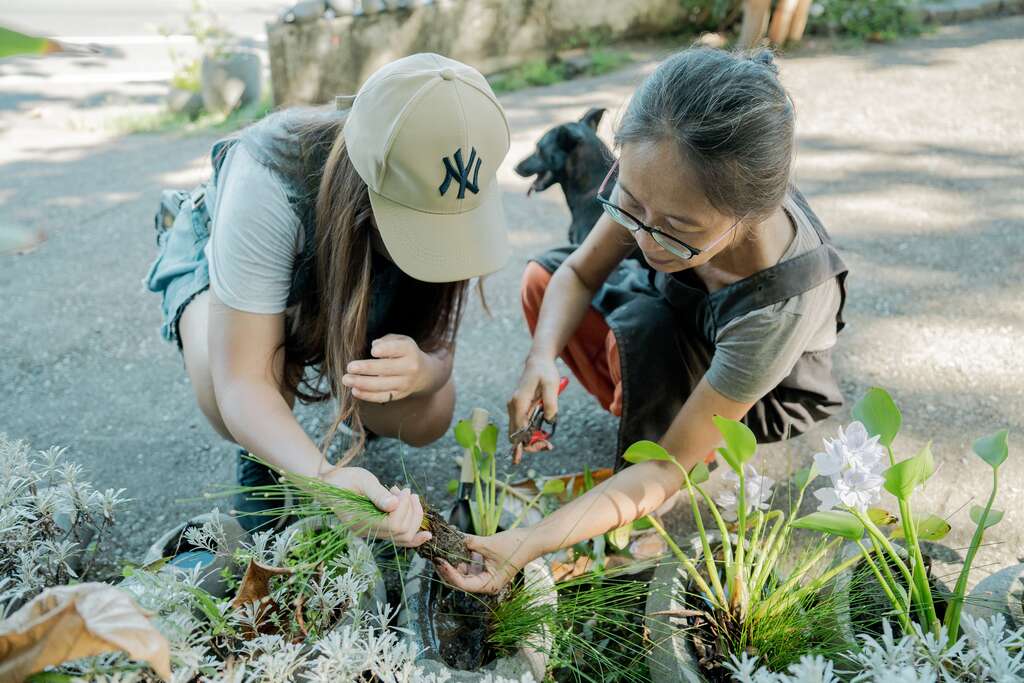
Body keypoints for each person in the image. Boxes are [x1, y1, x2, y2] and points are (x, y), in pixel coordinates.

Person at [437, 47, 849, 593]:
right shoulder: (657, 177)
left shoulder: (781, 305)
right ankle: (639, 399)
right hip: (680, 308)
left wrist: (530, 542)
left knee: (643, 341)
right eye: (631, 205)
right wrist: (538, 358)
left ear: (752, 216)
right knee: (545, 278)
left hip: (757, 394)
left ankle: (677, 430)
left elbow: (664, 467)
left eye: (677, 226)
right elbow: (579, 275)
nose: (645, 235)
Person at [145, 53, 512, 542]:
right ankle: (271, 449)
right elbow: (242, 383)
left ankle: (295, 429)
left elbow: (441, 351)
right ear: (367, 183)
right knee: (232, 393)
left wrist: (422, 371)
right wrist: (328, 481)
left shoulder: (458, 174)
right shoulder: (269, 177)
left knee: (426, 413)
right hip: (229, 247)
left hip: (353, 254)